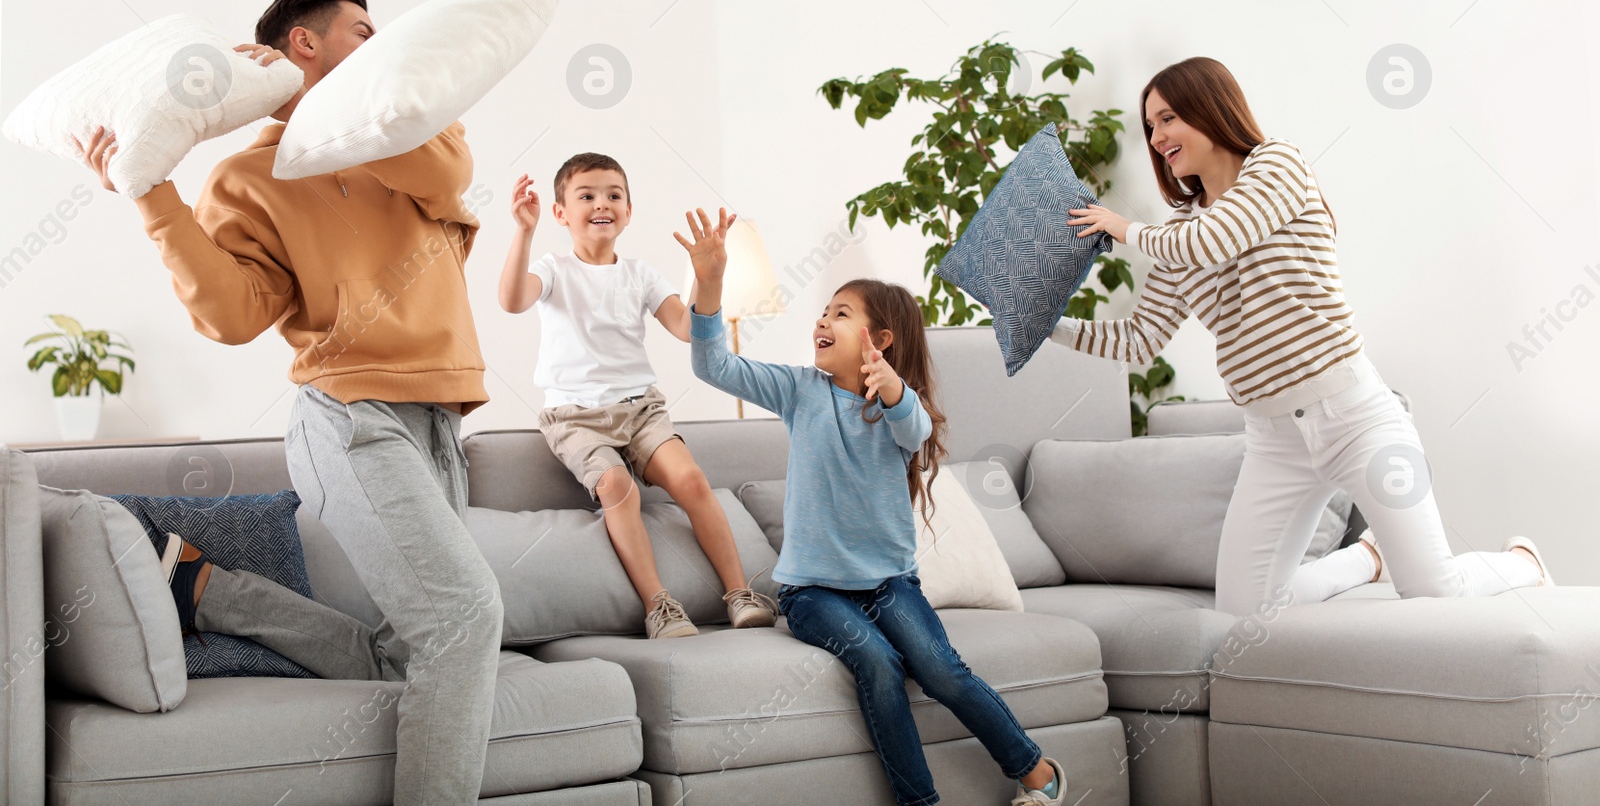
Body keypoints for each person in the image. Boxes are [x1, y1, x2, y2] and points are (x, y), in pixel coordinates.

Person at [76, 0, 504, 806]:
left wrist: (337, 113)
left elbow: (449, 169)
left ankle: (212, 591)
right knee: (465, 614)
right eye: (360, 30)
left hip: (438, 423)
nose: (380, 46)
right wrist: (152, 194)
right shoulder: (248, 174)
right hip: (347, 417)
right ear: (302, 45)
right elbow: (234, 314)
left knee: (420, 647)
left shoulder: (417, 127)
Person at [1056, 55, 1552, 617]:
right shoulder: (1177, 234)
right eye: (1150, 127)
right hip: (1274, 441)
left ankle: (1523, 564)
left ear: (1210, 108)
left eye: (1168, 118)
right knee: (1246, 609)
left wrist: (1121, 227)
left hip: (1354, 416)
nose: (1158, 136)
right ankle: (1366, 561)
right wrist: (1050, 328)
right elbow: (1139, 339)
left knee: (1436, 591)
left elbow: (1215, 240)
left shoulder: (1277, 166)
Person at [679, 207, 1068, 806]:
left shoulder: (896, 407)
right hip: (813, 594)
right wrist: (709, 284)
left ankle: (1037, 773)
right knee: (881, 665)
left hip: (891, 583)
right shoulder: (797, 391)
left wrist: (890, 388)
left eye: (840, 313)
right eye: (823, 312)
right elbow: (713, 365)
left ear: (879, 339)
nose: (822, 321)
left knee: (941, 671)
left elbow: (913, 432)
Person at [498, 154, 776, 638]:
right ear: (561, 213)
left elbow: (689, 328)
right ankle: (659, 606)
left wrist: (708, 278)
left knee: (691, 480)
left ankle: (739, 593)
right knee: (617, 488)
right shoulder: (554, 268)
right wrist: (522, 232)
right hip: (575, 417)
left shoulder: (641, 275)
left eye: (613, 195)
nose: (601, 203)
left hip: (640, 410)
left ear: (629, 210)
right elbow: (513, 299)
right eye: (586, 195)